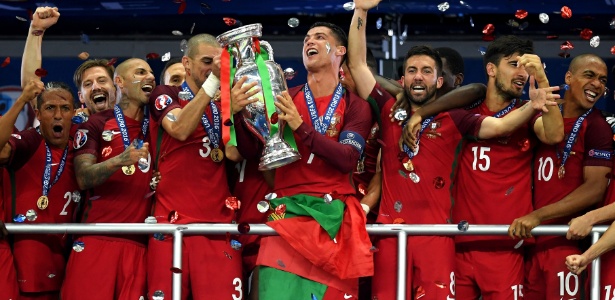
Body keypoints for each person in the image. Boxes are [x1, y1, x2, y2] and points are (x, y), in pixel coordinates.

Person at [348, 1, 561, 299]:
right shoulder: (388, 109)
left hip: (437, 236)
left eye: (426, 71)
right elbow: (357, 65)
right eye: (411, 71)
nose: (418, 76)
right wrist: (361, 11)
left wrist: (533, 106)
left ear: (439, 81)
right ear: (403, 79)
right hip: (390, 233)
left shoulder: (456, 118)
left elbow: (499, 126)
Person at [233, 21, 374, 299]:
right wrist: (239, 115)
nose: (310, 42)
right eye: (307, 38)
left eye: (320, 38)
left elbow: (347, 159)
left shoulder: (357, 105)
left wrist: (301, 128)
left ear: (340, 50)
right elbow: (254, 151)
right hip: (287, 216)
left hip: (333, 218)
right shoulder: (285, 96)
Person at [447, 35, 563, 300]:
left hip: (505, 246)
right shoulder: (465, 112)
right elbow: (497, 126)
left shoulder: (530, 113)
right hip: (457, 242)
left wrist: (542, 81)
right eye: (513, 64)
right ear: (491, 68)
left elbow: (554, 135)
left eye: (527, 68)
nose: (522, 74)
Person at [147, 33, 249, 300]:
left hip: (218, 228)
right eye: (207, 61)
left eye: (220, 62)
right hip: (170, 226)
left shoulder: (221, 104)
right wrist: (215, 81)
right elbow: (179, 129)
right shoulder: (165, 94)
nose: (214, 67)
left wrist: (235, 113)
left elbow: (234, 154)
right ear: (187, 64)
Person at [509, 53, 611, 299]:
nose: (597, 84)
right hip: (531, 242)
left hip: (567, 243)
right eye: (589, 75)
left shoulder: (597, 126)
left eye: (603, 80)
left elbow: (595, 189)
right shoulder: (539, 117)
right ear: (568, 77)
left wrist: (537, 216)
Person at [61, 58, 154, 300]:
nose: (149, 78)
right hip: (96, 239)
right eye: (140, 73)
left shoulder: (159, 123)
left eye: (101, 80)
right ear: (121, 83)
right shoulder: (94, 124)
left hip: (142, 245)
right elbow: (83, 178)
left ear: (113, 86)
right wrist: (118, 161)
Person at [0, 80, 78, 300]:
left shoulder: (82, 148)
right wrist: (22, 99)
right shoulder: (29, 142)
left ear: (74, 112)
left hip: (68, 259)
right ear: (38, 114)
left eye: (64, 108)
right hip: (26, 261)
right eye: (50, 108)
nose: (57, 115)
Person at [21, 6, 116, 119]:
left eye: (102, 80)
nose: (96, 87)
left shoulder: (136, 118)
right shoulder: (70, 122)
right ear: (81, 97)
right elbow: (31, 87)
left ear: (116, 88)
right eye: (87, 84)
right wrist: (36, 29)